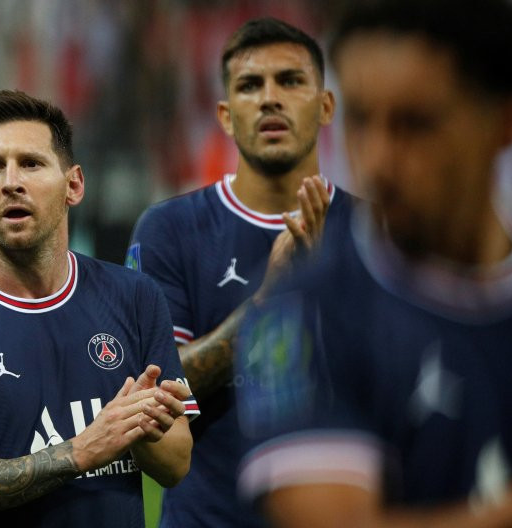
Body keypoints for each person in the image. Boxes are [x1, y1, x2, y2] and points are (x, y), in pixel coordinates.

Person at [235, 0, 512, 526]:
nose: (379, 159)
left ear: (501, 122)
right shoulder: (299, 312)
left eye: (415, 124)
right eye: (360, 121)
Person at [0, 89, 198, 528]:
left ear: (73, 185)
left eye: (31, 163)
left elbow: (177, 463)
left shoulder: (135, 297)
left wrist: (140, 425)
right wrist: (79, 451)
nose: (11, 181)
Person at [126, 17, 355, 527]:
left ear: (326, 107)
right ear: (227, 117)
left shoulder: (374, 232)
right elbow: (156, 389)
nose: (270, 98)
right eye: (251, 85)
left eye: (290, 81)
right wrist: (268, 299)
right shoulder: (170, 230)